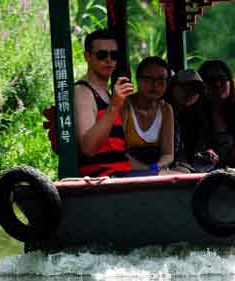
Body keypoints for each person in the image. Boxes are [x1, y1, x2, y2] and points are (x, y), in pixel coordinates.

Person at [74, 30, 133, 177]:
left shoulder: (108, 95)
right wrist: (114, 106)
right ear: (87, 57)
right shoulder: (83, 91)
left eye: (114, 55)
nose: (109, 60)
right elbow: (88, 147)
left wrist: (155, 167)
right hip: (104, 180)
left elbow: (119, 154)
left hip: (121, 175)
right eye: (102, 55)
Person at [122, 56, 175, 173]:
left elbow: (168, 154)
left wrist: (154, 168)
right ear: (137, 80)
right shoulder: (125, 105)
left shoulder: (166, 109)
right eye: (148, 79)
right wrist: (145, 170)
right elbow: (119, 150)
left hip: (156, 169)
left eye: (161, 80)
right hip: (127, 168)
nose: (155, 85)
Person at [197, 60, 235, 169]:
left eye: (222, 79)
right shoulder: (193, 114)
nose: (217, 84)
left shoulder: (233, 114)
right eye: (211, 80)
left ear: (230, 82)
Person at [167, 69, 206, 166]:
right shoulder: (160, 113)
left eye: (195, 89)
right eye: (184, 87)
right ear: (172, 87)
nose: (190, 92)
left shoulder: (194, 120)